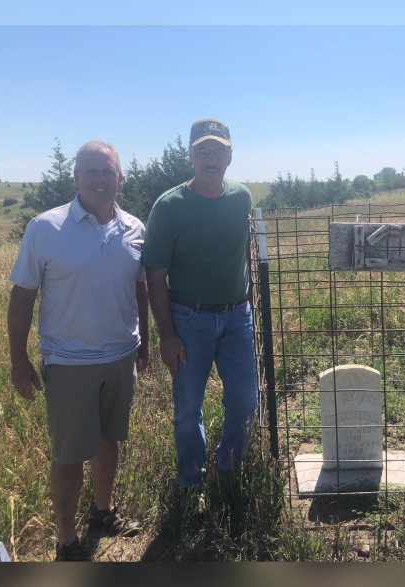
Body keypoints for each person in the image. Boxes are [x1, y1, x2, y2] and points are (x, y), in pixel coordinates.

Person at [8, 141, 149, 561]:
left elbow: (140, 288)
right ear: (76, 177)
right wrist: (18, 360)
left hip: (122, 356)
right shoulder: (45, 228)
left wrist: (145, 338)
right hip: (68, 363)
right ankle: (67, 539)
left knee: (109, 439)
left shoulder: (136, 228)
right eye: (91, 171)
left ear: (120, 178)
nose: (99, 179)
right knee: (69, 454)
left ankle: (103, 513)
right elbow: (22, 298)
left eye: (107, 171)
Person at [142, 118, 258, 492]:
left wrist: (250, 307)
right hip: (189, 319)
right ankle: (190, 483)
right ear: (190, 155)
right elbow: (155, 275)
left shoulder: (242, 197)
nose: (211, 159)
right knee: (187, 409)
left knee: (245, 400)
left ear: (230, 156)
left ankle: (228, 471)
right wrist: (167, 336)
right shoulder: (169, 206)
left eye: (218, 151)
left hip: (238, 317)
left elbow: (245, 253)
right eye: (203, 151)